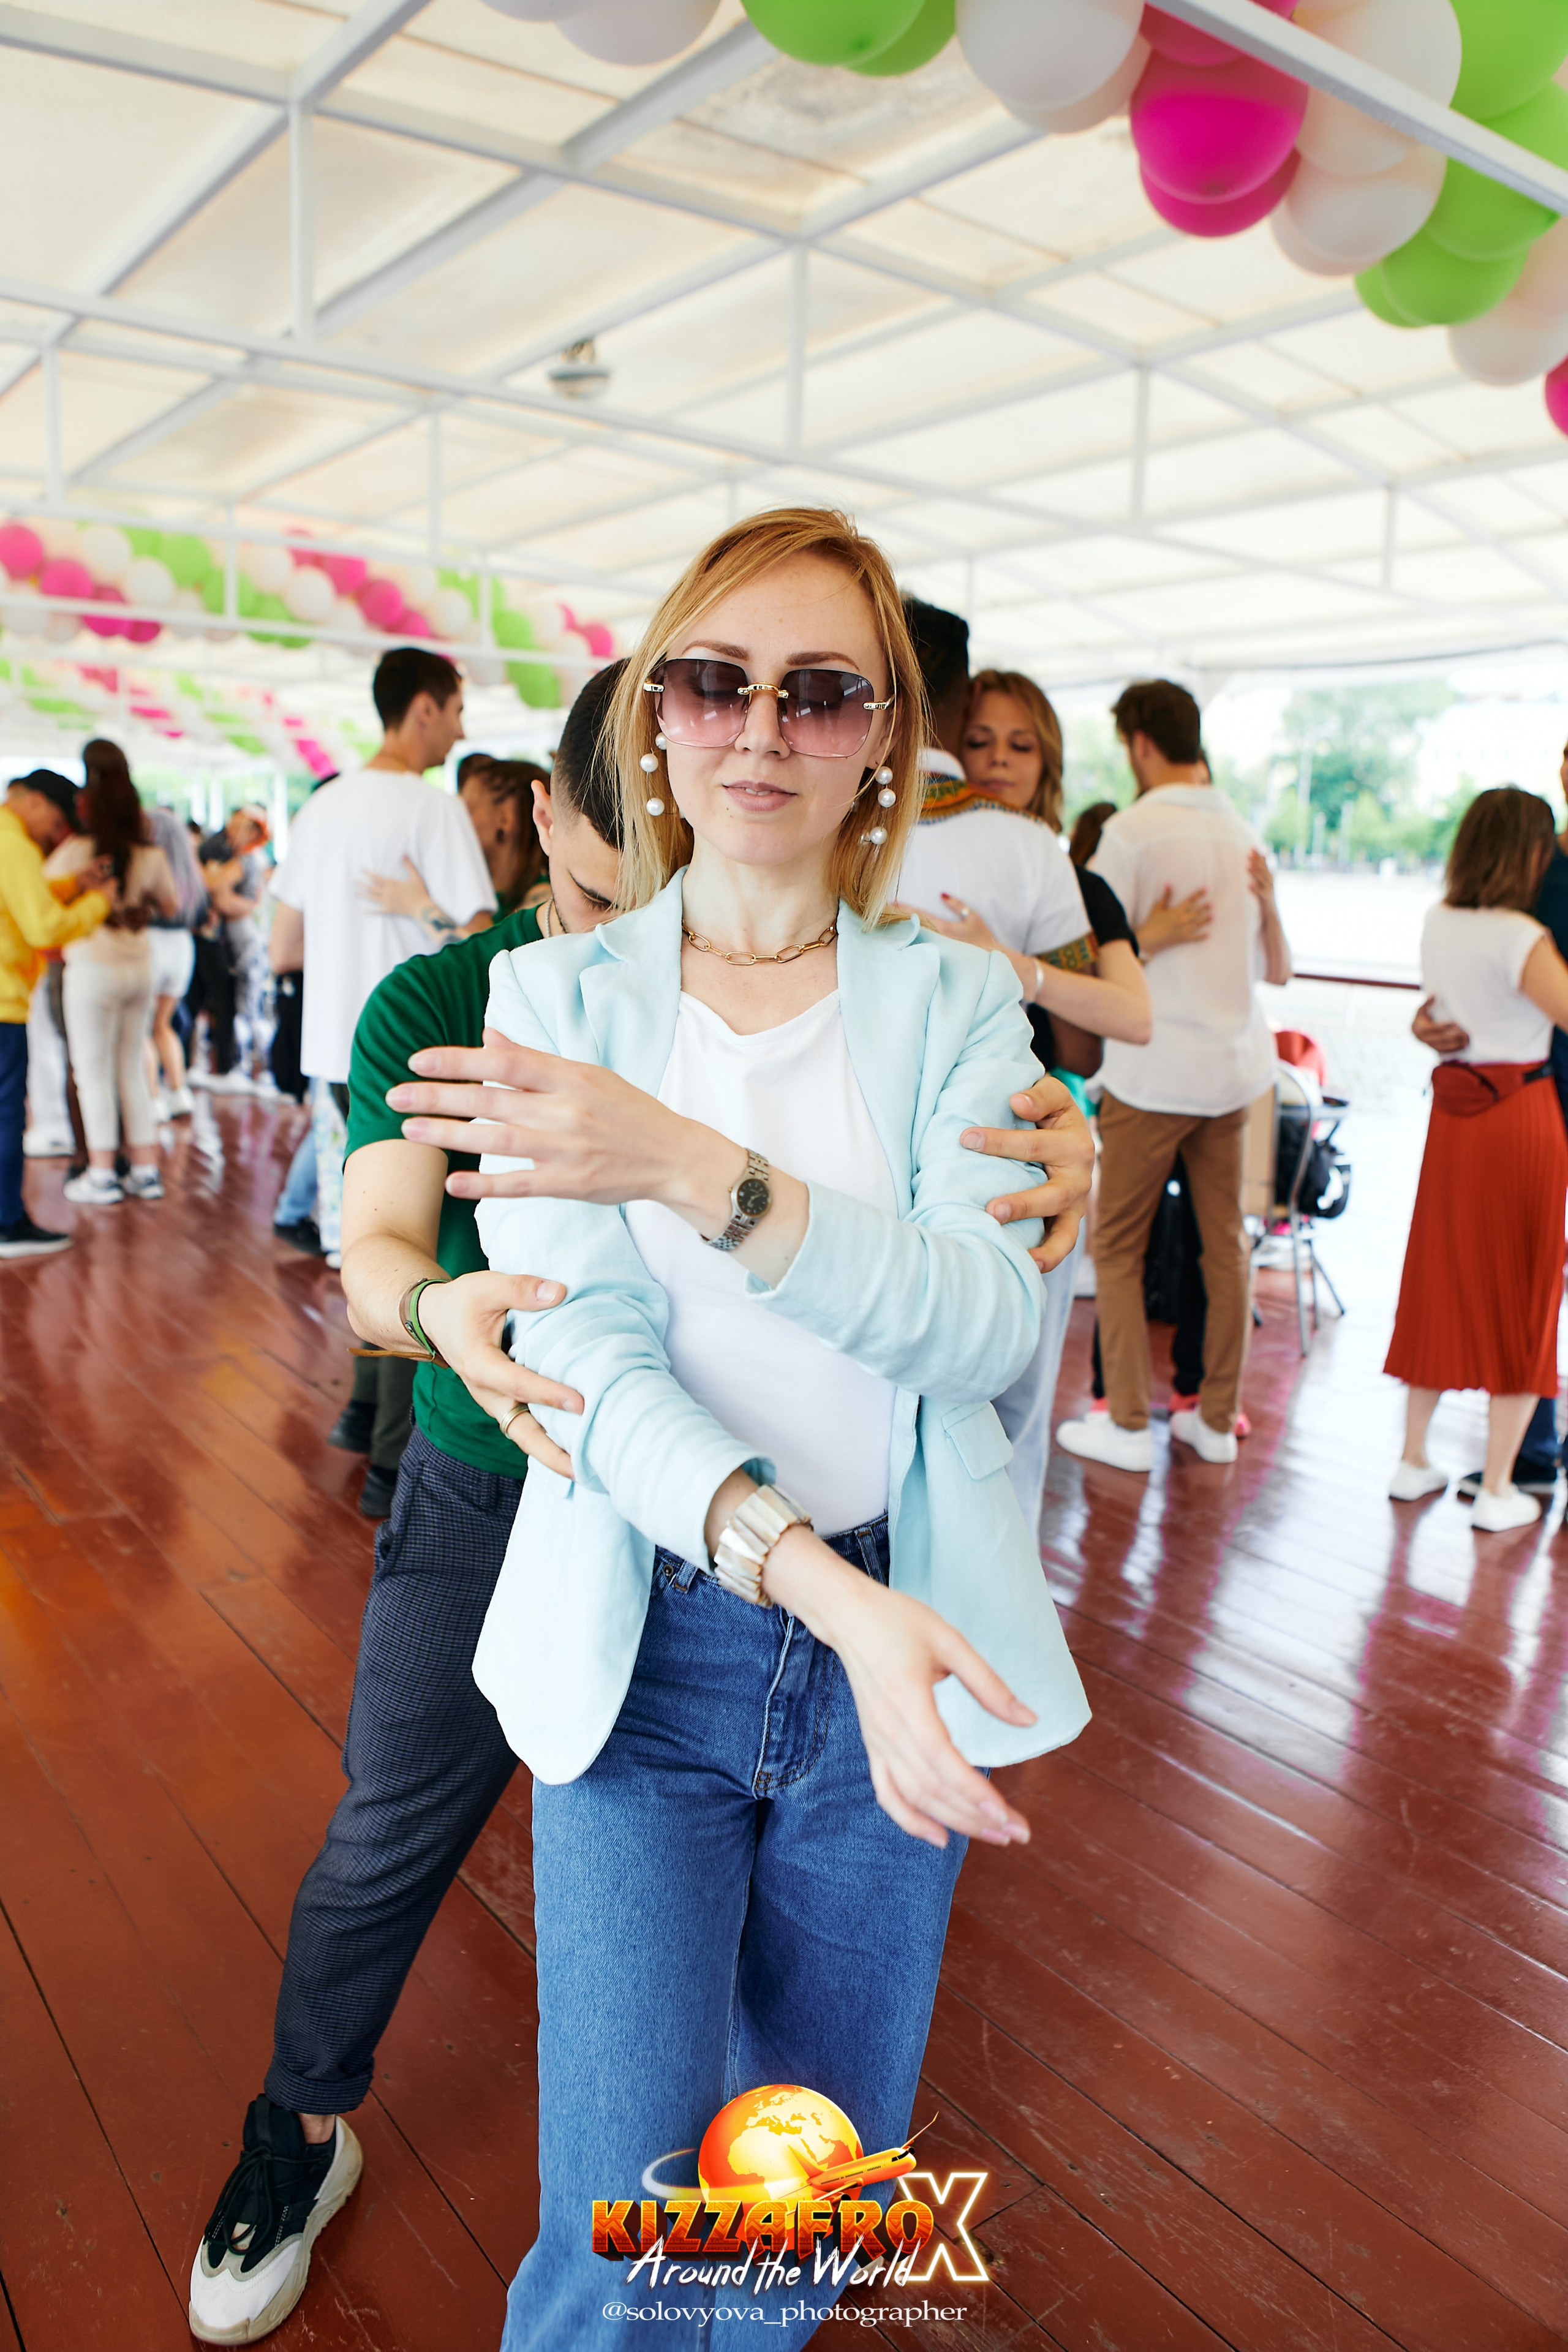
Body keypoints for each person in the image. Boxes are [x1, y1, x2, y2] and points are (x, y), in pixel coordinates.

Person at [184, 647, 1098, 2346]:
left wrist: (1068, 1149)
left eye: (811, 709)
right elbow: (381, 1238)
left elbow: (967, 1239)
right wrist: (429, 1305)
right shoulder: (480, 990)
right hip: (505, 1475)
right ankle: (294, 2128)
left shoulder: (881, 986)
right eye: (628, 825)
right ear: (565, 813)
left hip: (783, 1556)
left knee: (791, 2170)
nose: (682, 844)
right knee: (397, 1828)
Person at [458, 508, 1090, 2349]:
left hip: (900, 1643)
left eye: (817, 692)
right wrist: (822, 1592)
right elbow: (592, 1376)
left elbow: (977, 1322)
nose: (757, 729)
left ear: (882, 735)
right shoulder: (548, 999)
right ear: (653, 714)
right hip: (661, 1649)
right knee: (621, 2224)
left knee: (799, 2199)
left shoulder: (958, 995)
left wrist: (682, 1161)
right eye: (713, 680)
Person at [892, 617, 1152, 1536]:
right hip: (1010, 1143)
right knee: (1007, 1411)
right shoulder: (1032, 852)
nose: (1000, 760)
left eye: (1021, 744)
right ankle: (1000, 1617)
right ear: (954, 715)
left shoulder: (820, 817)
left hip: (874, 1142)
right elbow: (1084, 1051)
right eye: (982, 740)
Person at [268, 646, 494, 1510]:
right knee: (418, 1248)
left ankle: (362, 1416)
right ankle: (394, 1465)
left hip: (333, 1055)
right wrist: (420, 914)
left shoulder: (323, 808)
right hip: (417, 1053)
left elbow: (284, 945)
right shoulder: (430, 809)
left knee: (362, 1241)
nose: (464, 726)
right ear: (426, 709)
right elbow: (481, 929)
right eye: (459, 707)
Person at [1057, 678, 1291, 1472]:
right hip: (1237, 1070)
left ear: (1139, 745)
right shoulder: (1247, 831)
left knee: (1117, 1249)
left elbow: (1081, 952)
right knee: (1226, 1249)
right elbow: (1266, 965)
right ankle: (1215, 1421)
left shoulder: (1129, 832)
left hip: (1152, 1073)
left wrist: (1147, 938)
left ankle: (1125, 1423)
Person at [1387, 786, 1568, 1532]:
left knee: (1439, 1277)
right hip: (1520, 1116)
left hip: (1453, 1119)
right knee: (1526, 1292)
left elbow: (1435, 1012)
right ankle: (1497, 1487)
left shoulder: (1438, 920)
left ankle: (1411, 1458)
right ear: (1528, 853)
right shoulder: (1520, 935)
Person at [45, 741, 178, 1207]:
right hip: (140, 966)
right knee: (131, 1070)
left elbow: (43, 898)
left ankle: (101, 1173)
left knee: (92, 1072)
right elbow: (172, 905)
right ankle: (145, 1170)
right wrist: (134, 905)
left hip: (93, 968)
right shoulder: (149, 853)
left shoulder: (77, 851)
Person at [0, 767, 112, 1256]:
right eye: (56, 826)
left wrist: (72, 885)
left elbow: (22, 900)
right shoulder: (15, 844)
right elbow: (43, 928)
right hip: (3, 1002)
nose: (53, 837)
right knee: (6, 1115)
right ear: (39, 803)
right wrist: (97, 904)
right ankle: (7, 1222)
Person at [361, 756, 549, 933]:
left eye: (465, 806)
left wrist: (419, 906)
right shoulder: (493, 895)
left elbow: (488, 959)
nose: (456, 817)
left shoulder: (542, 904)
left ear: (505, 819)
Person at [145, 802, 205, 1118]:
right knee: (163, 1025)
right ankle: (179, 1092)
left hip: (151, 943)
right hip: (182, 946)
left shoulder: (148, 864)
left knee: (142, 1030)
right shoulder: (189, 870)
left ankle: (152, 1098)